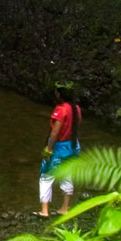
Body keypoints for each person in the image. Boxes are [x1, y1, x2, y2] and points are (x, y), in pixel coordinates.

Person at [35, 85, 82, 217]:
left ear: (60, 95)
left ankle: (44, 210)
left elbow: (55, 132)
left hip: (60, 147)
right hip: (73, 146)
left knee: (46, 176)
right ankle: (64, 207)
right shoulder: (76, 108)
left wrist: (48, 149)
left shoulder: (61, 110)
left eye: (57, 93)